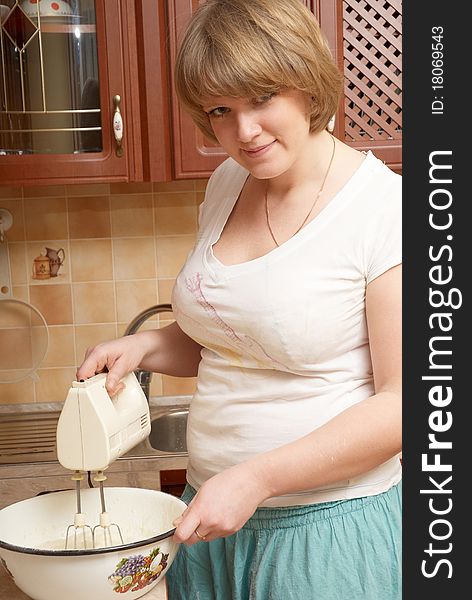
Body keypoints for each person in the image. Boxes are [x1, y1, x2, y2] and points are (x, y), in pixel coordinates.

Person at [76, 0, 402, 598]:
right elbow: (240, 341)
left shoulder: (386, 210)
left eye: (261, 98)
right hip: (211, 512)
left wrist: (257, 478)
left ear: (307, 83)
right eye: (220, 110)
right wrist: (147, 345)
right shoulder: (229, 182)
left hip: (320, 531)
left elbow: (406, 406)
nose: (243, 132)